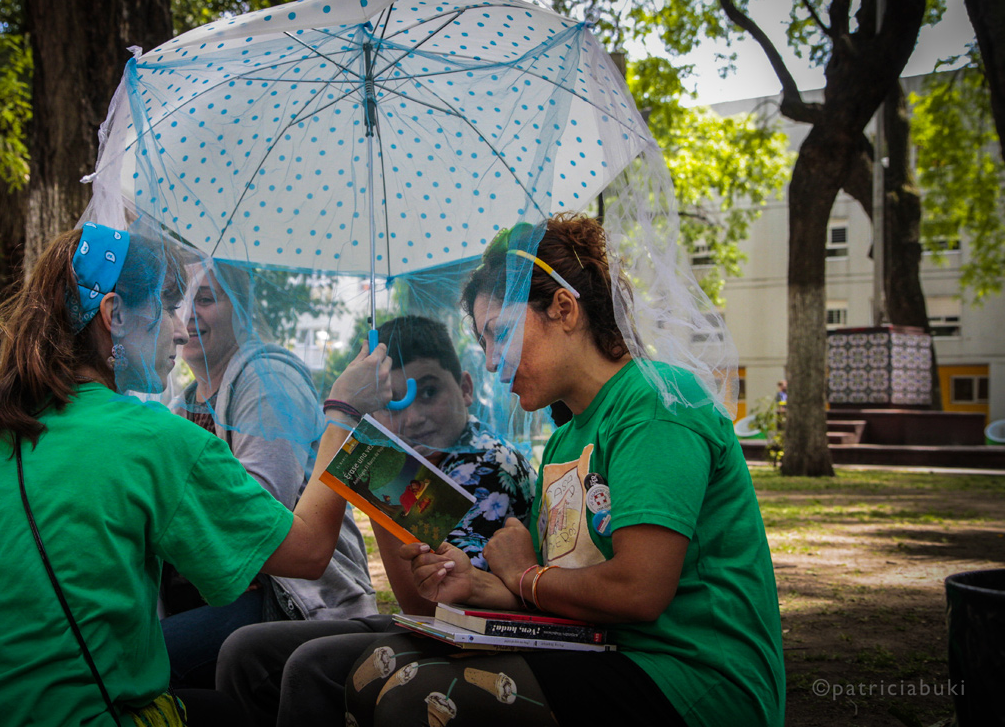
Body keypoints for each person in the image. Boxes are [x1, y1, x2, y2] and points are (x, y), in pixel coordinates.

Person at [0, 222, 394, 727]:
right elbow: (309, 550)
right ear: (114, 314)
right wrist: (343, 414)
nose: (180, 329)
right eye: (167, 307)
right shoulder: (153, 439)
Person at [345, 213, 785, 727]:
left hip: (690, 680)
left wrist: (525, 574)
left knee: (414, 696)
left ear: (564, 308)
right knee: (371, 671)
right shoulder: (563, 440)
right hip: (597, 653)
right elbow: (551, 592)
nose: (492, 361)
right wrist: (473, 585)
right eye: (484, 343)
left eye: (500, 333)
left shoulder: (656, 404)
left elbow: (637, 591)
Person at [216, 315, 536, 727]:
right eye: (395, 402)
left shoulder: (486, 463)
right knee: (245, 650)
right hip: (426, 625)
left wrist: (379, 463)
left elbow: (429, 604)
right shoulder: (425, 458)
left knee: (310, 666)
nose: (414, 417)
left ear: (466, 388)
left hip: (473, 636)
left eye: (429, 392)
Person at [160, 263, 376, 689]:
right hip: (225, 597)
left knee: (142, 665)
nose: (188, 315)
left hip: (294, 599)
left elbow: (257, 517)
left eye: (206, 299)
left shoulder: (269, 379)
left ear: (241, 308)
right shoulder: (182, 406)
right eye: (178, 302)